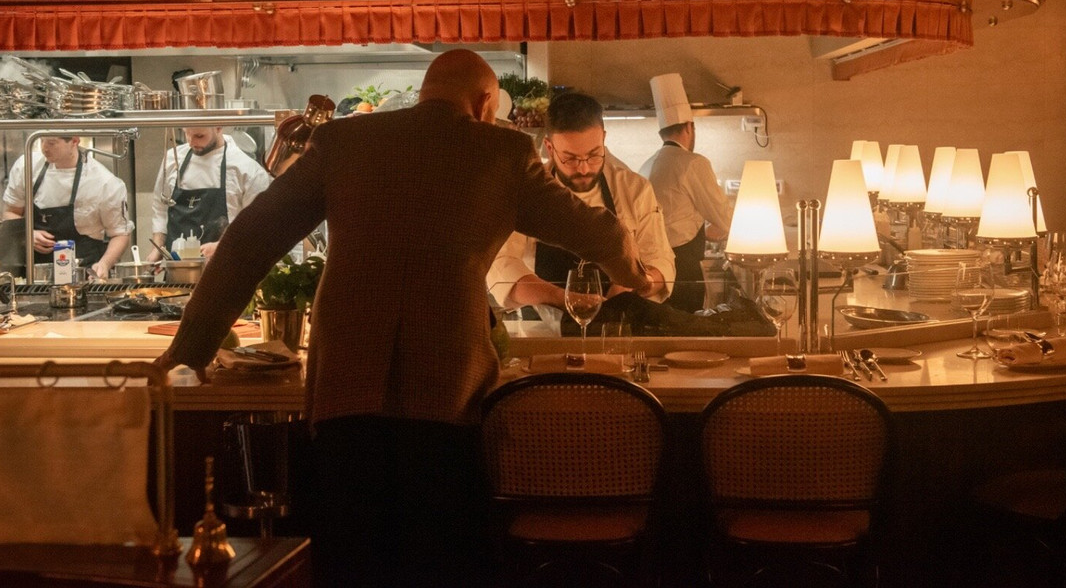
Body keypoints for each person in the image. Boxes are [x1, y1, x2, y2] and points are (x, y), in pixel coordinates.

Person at [153, 50, 650, 587]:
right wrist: (638, 277)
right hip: (446, 395)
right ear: (485, 103)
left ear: (424, 92)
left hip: (346, 392)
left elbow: (250, 239)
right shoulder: (502, 152)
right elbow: (599, 234)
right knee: (439, 563)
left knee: (351, 563)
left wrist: (190, 349)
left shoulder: (344, 142)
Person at [487, 91, 676, 335]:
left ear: (603, 138)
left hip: (617, 333)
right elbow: (502, 265)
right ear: (549, 147)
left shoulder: (634, 189)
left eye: (594, 155)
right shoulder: (525, 190)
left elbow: (660, 259)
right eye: (571, 159)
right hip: (543, 333)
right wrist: (563, 298)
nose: (584, 168)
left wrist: (634, 283)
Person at [639, 73, 734, 312]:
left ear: (662, 133)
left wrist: (705, 230)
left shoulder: (647, 165)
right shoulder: (693, 163)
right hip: (681, 269)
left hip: (650, 270)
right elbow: (724, 216)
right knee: (685, 327)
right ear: (690, 127)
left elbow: (674, 216)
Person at [1, 135, 132, 279]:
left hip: (83, 273)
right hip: (35, 275)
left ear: (74, 141)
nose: (44, 148)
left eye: (51, 143)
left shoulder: (104, 182)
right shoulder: (26, 166)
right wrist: (26, 234)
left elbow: (120, 234)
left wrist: (104, 264)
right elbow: (10, 212)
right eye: (41, 141)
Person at [146, 127, 270, 261]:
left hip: (224, 266)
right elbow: (161, 210)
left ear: (218, 127)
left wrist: (222, 247)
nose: (191, 142)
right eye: (187, 135)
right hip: (177, 269)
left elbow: (257, 226)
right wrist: (157, 249)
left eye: (199, 136)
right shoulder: (173, 159)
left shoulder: (247, 169)